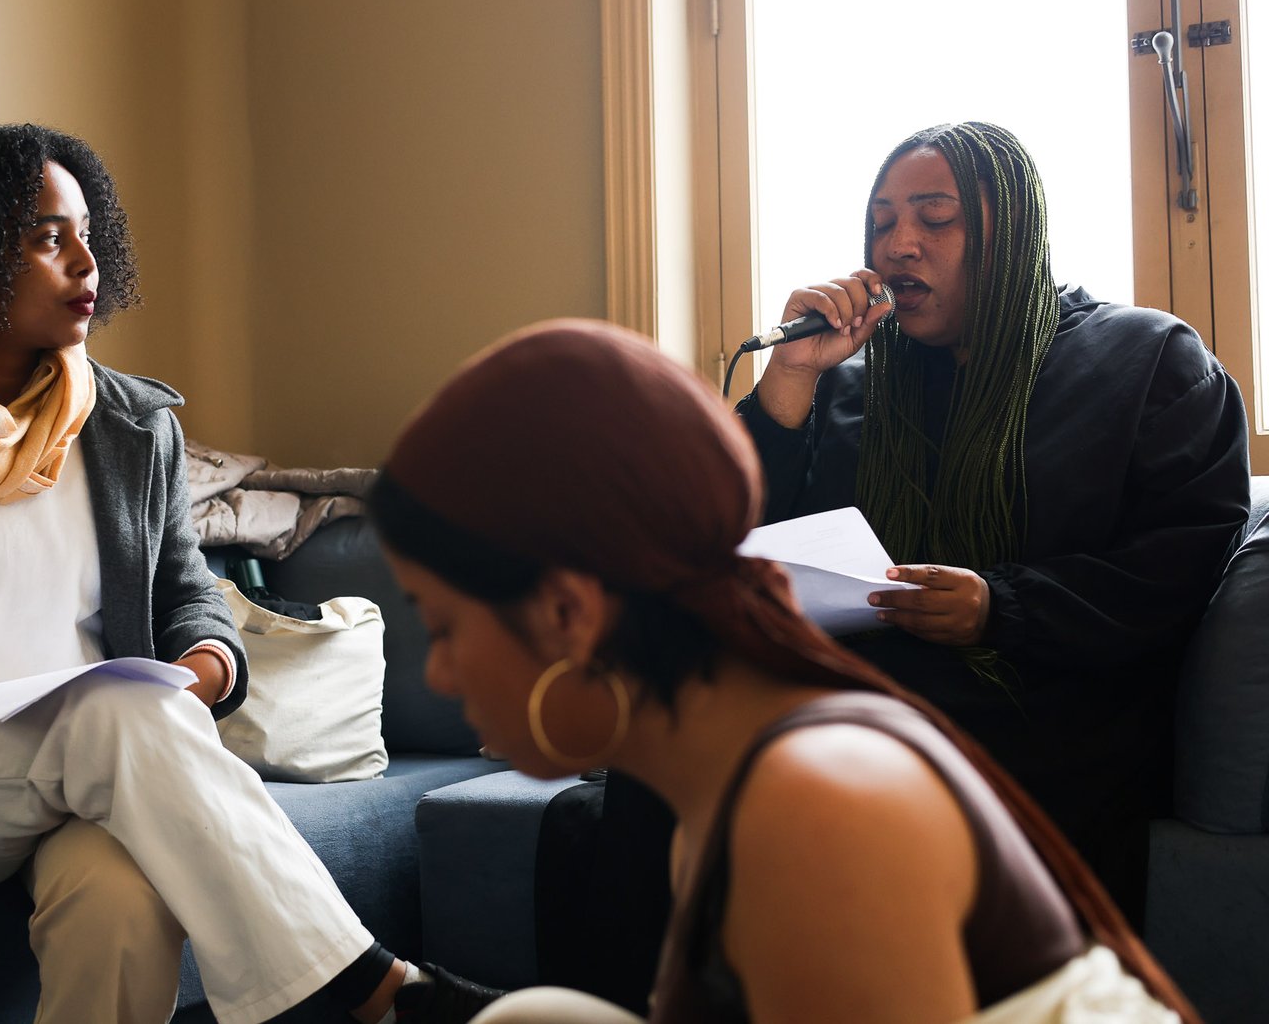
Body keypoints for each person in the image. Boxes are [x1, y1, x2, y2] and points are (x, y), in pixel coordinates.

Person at [0, 123, 495, 1024]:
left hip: (96, 765)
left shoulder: (133, 426)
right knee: (115, 710)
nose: (86, 263)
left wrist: (204, 669)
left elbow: (188, 601)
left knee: (122, 899)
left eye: (89, 236)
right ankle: (372, 992)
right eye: (48, 238)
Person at [369, 317, 1193, 1023]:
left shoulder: (817, 802)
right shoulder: (721, 775)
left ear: (569, 614)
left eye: (442, 627)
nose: (437, 676)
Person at [732, 121, 1251, 919]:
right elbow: (734, 544)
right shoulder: (850, 385)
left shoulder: (1148, 360)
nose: (899, 243)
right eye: (881, 222)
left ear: (1010, 232)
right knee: (675, 744)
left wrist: (996, 606)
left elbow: (1177, 568)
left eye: (934, 218)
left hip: (1044, 708)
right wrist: (789, 382)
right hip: (859, 693)